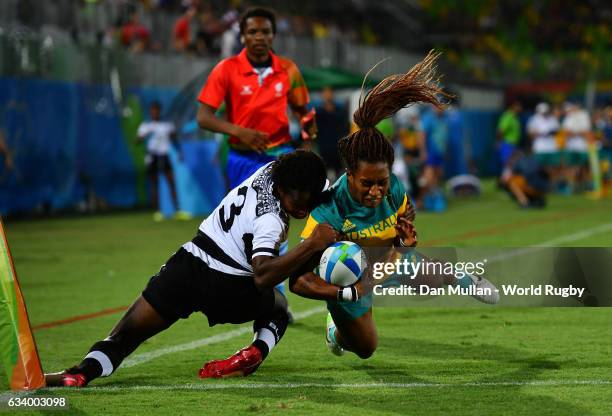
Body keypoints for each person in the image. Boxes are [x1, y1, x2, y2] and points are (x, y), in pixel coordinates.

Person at [218, 52, 499, 365]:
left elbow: (405, 216)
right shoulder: (328, 212)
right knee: (366, 349)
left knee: (433, 277)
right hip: (349, 281)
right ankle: (337, 328)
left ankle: (464, 278)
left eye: (382, 181)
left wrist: (404, 240)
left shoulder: (393, 187)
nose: (377, 191)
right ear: (349, 174)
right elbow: (297, 282)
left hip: (385, 261)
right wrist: (341, 294)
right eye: (367, 184)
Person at [45, 150, 338, 387]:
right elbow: (262, 275)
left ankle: (82, 372)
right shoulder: (269, 219)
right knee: (278, 307)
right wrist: (311, 244)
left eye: (309, 199)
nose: (303, 208)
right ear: (282, 188)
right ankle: (257, 352)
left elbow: (320, 186)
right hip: (229, 289)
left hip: (187, 267)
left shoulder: (278, 169)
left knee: (124, 337)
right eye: (296, 201)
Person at [196, 7, 317, 308]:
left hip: (280, 159)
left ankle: (278, 298)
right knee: (248, 227)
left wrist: (308, 140)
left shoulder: (288, 70)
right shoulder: (226, 70)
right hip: (241, 159)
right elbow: (203, 117)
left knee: (279, 223)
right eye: (253, 32)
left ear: (273, 35)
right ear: (243, 35)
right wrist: (239, 131)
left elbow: (305, 113)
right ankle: (249, 289)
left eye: (265, 31)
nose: (259, 37)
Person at [136, 101, 189, 221]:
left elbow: (174, 138)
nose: (155, 112)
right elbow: (137, 140)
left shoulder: (166, 125)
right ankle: (157, 212)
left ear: (159, 111)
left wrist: (179, 151)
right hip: (153, 156)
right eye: (153, 110)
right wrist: (143, 136)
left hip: (164, 156)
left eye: (157, 110)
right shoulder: (146, 126)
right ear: (150, 112)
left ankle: (178, 210)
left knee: (171, 182)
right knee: (155, 184)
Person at [315, 86, 349, 182]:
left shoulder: (340, 111)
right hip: (324, 146)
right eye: (325, 93)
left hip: (336, 147)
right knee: (324, 171)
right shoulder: (319, 112)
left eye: (329, 92)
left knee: (338, 172)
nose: (327, 95)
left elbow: (344, 127)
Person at [497, 101, 522, 169]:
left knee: (513, 163)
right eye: (518, 106)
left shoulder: (515, 117)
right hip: (507, 144)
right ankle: (504, 178)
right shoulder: (508, 117)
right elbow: (500, 130)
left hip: (513, 144)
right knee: (507, 163)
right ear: (513, 107)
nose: (520, 108)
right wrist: (499, 142)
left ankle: (509, 178)